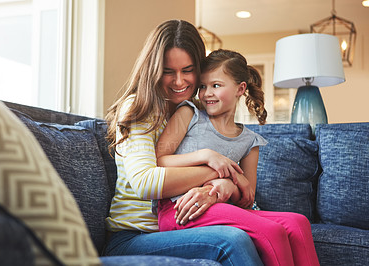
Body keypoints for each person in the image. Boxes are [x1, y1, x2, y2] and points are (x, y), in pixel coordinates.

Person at [104, 20, 263, 266]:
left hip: (181, 227)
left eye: (188, 70)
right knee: (232, 241)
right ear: (153, 70)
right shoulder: (140, 108)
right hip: (134, 237)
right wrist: (219, 169)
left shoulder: (196, 112)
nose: (179, 82)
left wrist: (220, 187)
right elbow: (145, 183)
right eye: (169, 71)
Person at [155, 49, 320, 266]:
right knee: (271, 230)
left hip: (219, 207)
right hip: (180, 207)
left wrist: (223, 185)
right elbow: (160, 159)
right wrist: (208, 156)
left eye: (216, 85)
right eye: (202, 87)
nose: (206, 93)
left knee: (298, 223)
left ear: (240, 88)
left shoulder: (250, 141)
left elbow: (247, 198)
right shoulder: (189, 113)